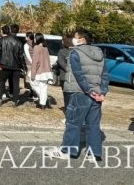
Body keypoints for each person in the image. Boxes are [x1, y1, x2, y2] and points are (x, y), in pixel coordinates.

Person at [46, 29, 108, 161]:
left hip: (79, 92)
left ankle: (67, 151)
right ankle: (94, 153)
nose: (73, 39)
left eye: (76, 37)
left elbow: (78, 74)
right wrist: (102, 92)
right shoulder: (99, 53)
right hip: (97, 93)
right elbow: (105, 74)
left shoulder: (75, 53)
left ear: (82, 39)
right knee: (93, 124)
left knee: (73, 122)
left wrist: (88, 90)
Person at [0, 24, 24, 106]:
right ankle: (15, 101)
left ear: (10, 30)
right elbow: (21, 56)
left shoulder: (2, 39)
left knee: (1, 82)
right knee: (16, 84)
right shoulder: (19, 42)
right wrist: (23, 67)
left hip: (4, 64)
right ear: (17, 31)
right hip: (16, 66)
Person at [30, 33, 53, 109]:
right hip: (46, 72)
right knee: (43, 87)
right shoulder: (45, 48)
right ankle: (43, 102)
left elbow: (35, 62)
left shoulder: (36, 48)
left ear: (37, 39)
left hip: (39, 71)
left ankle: (44, 100)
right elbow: (48, 61)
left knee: (33, 84)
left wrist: (33, 74)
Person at [56, 35, 73, 111]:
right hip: (74, 76)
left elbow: (61, 63)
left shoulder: (61, 51)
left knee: (66, 95)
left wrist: (69, 70)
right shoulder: (75, 51)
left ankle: (67, 111)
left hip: (65, 76)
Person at [23, 31, 36, 101]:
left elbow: (27, 56)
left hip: (29, 64)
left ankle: (32, 93)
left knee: (30, 79)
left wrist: (32, 63)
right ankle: (34, 93)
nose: (25, 37)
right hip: (36, 64)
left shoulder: (26, 45)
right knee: (35, 78)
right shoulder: (35, 44)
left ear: (28, 37)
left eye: (26, 36)